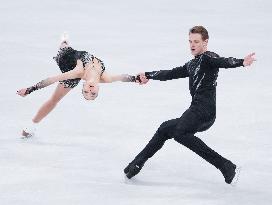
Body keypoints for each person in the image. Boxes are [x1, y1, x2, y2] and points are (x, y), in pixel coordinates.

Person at [124, 26, 256, 184]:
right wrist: (148, 75)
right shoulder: (192, 65)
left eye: (196, 41)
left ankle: (225, 165)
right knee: (165, 128)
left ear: (205, 42)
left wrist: (241, 62)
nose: (192, 45)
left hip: (204, 111)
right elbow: (170, 73)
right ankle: (137, 163)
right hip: (196, 111)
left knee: (180, 133)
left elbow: (222, 62)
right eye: (190, 41)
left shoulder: (208, 58)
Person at [17, 34, 138, 138]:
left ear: (83, 86)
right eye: (93, 93)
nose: (89, 91)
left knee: (54, 99)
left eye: (86, 92)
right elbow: (122, 77)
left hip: (65, 60)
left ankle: (30, 127)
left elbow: (52, 79)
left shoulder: (77, 72)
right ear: (98, 88)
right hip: (75, 54)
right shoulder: (105, 78)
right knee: (65, 45)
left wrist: (30, 89)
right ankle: (64, 42)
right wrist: (136, 79)